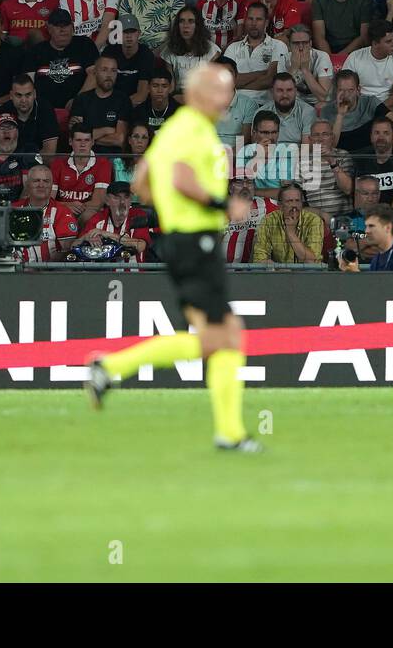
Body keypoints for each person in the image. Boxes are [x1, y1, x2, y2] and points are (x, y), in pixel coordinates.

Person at [83, 62, 262, 453]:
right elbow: (180, 177)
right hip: (195, 240)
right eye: (220, 90)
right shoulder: (192, 128)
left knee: (216, 338)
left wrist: (165, 203)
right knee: (225, 336)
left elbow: (142, 180)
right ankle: (229, 434)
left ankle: (110, 369)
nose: (227, 98)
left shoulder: (178, 129)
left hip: (185, 242)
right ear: (198, 93)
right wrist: (220, 204)